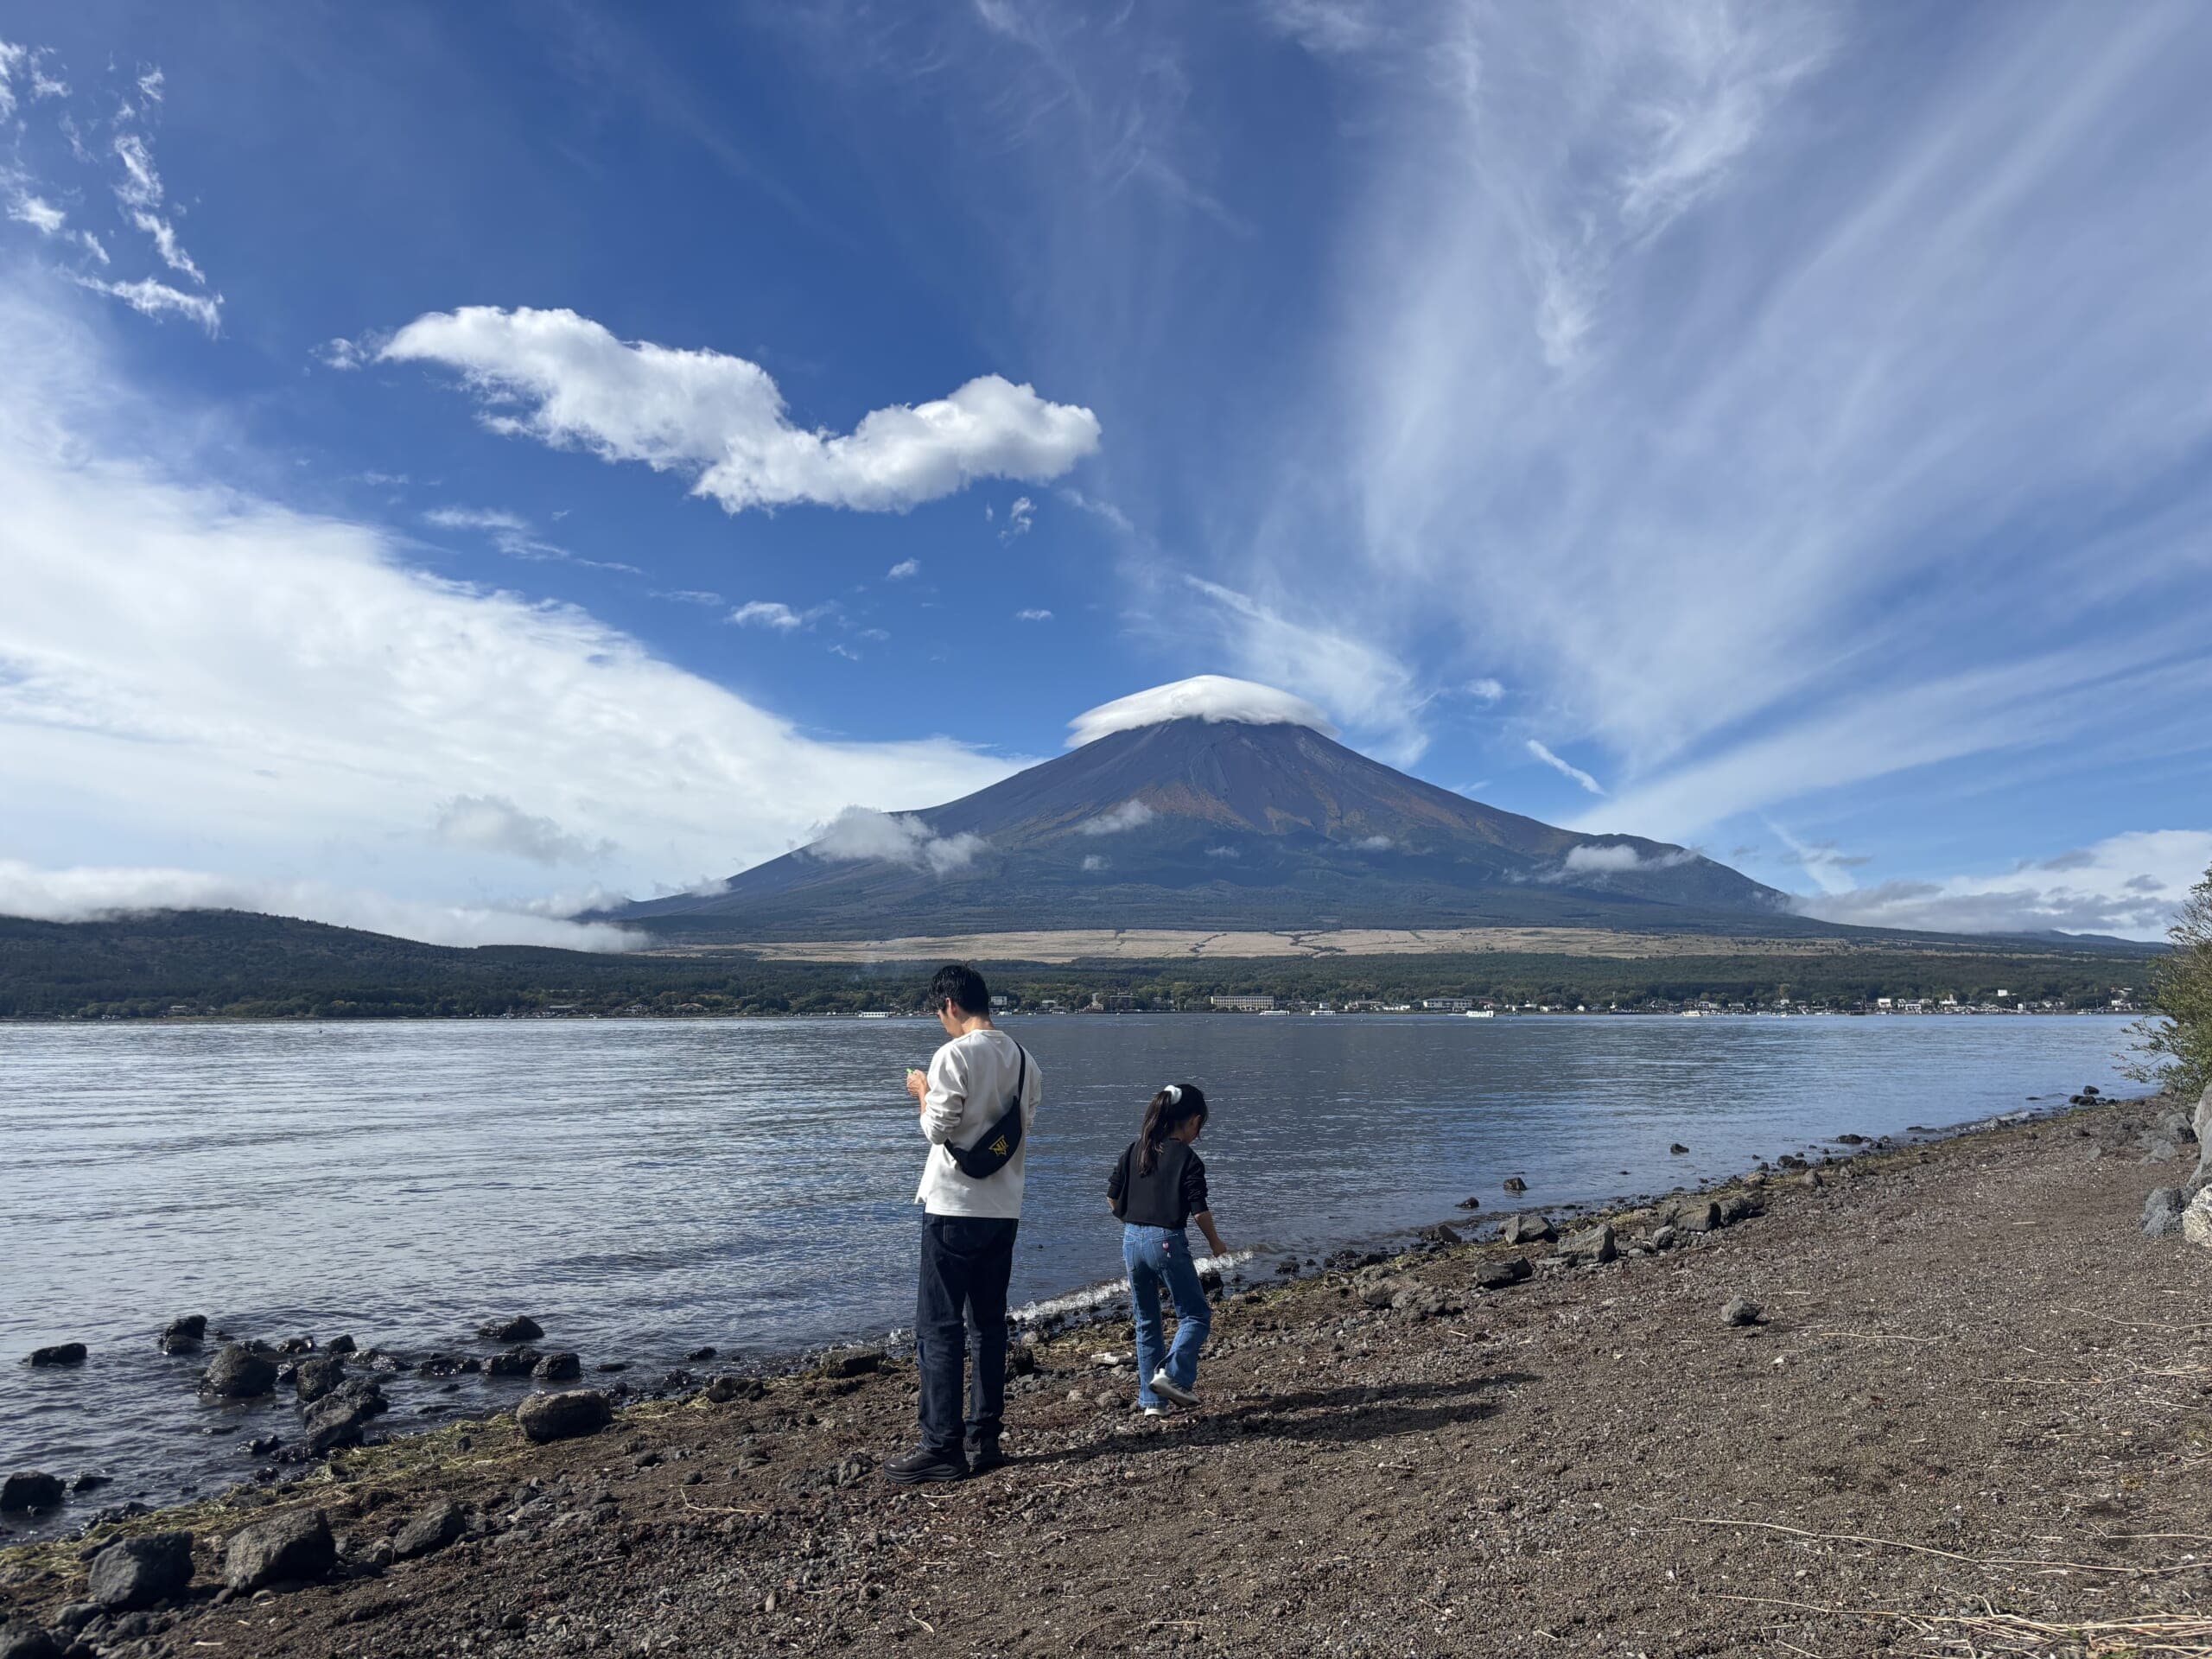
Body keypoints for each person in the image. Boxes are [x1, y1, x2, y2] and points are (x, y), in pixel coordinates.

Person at [885, 963, 1042, 1484]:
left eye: (939, 1014)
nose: (942, 1024)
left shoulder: (952, 1055)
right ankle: (986, 1438)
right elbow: (1020, 1128)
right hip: (1004, 1211)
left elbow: (936, 1129)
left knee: (940, 1327)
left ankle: (941, 1447)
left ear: (950, 1005)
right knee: (990, 1326)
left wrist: (921, 1092)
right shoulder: (1026, 1061)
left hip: (954, 1208)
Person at [1107, 1084, 1226, 1414]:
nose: (1198, 1134)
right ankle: (1172, 1376)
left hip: (1131, 1240)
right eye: (1199, 1127)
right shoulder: (1188, 1157)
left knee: (1147, 1321)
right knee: (1196, 1314)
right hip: (1167, 1242)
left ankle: (1152, 1402)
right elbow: (1199, 1209)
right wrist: (1216, 1244)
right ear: (1193, 1121)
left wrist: (1133, 1223)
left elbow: (1112, 1198)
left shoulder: (1136, 1149)